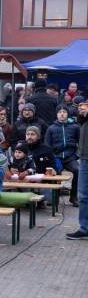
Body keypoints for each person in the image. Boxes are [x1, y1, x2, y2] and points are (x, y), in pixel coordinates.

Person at [44, 105, 80, 206]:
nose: (62, 114)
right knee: (56, 173)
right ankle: (55, 197)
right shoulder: (51, 128)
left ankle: (73, 197)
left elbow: (80, 143)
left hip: (70, 157)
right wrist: (52, 157)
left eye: (64, 112)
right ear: (57, 115)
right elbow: (47, 145)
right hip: (56, 157)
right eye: (60, 112)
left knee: (77, 170)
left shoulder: (75, 127)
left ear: (67, 114)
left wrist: (76, 155)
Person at [67, 102, 88, 239]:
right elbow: (81, 123)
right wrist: (81, 113)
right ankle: (85, 227)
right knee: (83, 195)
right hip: (85, 156)